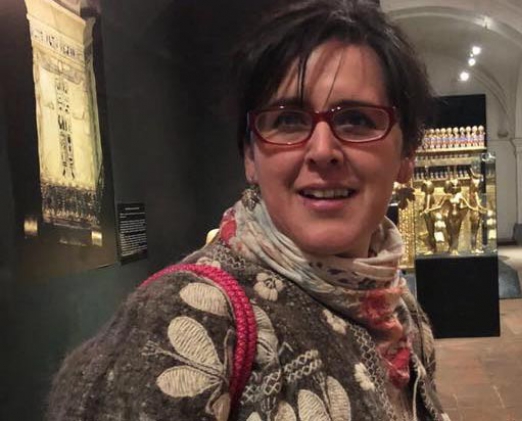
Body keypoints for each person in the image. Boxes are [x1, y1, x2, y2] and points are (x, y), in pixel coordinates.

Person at [47, 1, 450, 420]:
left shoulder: (400, 311)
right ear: (250, 157)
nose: (322, 150)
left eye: (357, 120)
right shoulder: (182, 322)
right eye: (289, 120)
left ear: (407, 155)